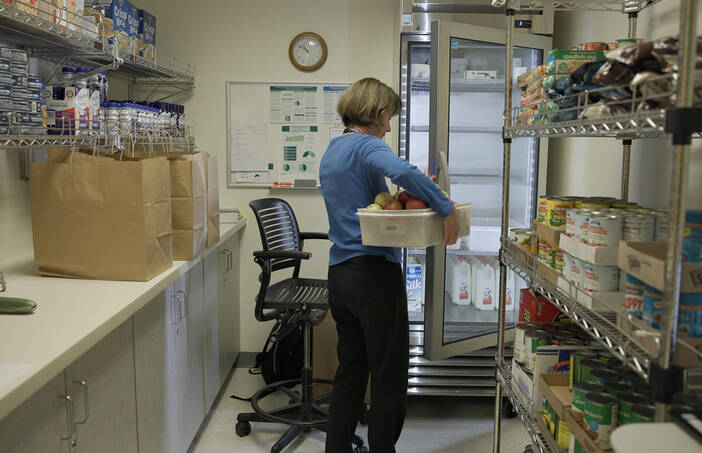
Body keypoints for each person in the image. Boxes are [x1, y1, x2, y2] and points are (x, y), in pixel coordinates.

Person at [319, 77, 460, 453]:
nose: (389, 125)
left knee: (350, 372)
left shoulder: (334, 150)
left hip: (341, 276)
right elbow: (407, 173)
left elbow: (370, 202)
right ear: (375, 112)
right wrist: (445, 209)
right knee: (389, 375)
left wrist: (406, 197)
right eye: (388, 116)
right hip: (373, 277)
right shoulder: (366, 145)